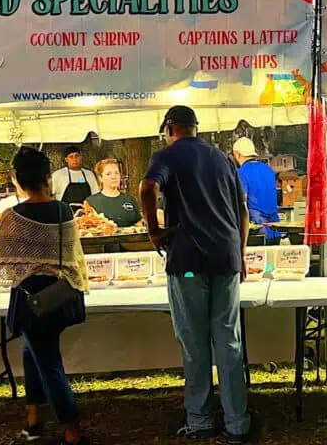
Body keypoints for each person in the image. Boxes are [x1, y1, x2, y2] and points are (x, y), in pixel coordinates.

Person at [140, 106, 251, 444]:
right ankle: (237, 424)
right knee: (229, 342)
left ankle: (201, 420)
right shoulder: (222, 158)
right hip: (227, 257)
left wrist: (154, 230)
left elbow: (147, 188)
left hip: (187, 258)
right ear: (195, 128)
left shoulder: (167, 156)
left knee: (194, 342)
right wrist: (241, 254)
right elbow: (242, 210)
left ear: (170, 128)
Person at [0, 147, 90, 445]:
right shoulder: (63, 210)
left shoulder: (13, 216)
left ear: (17, 179)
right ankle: (33, 418)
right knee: (32, 353)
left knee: (48, 362)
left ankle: (71, 427)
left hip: (32, 299)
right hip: (60, 295)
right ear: (47, 177)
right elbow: (73, 255)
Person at [232, 137, 281, 240]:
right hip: (275, 228)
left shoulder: (242, 172)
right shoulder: (268, 170)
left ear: (237, 154)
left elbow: (241, 203)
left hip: (257, 229)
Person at [84, 159, 141, 228]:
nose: (114, 177)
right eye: (108, 174)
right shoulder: (91, 202)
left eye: (117, 173)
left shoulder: (130, 199)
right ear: (100, 178)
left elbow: (139, 222)